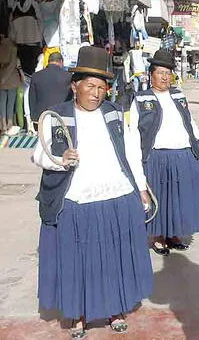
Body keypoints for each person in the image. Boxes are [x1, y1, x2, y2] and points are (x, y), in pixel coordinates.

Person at [34, 46, 153, 338]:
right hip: (76, 200)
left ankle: (116, 308)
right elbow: (39, 154)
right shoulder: (57, 117)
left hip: (116, 197)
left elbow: (131, 154)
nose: (96, 93)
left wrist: (141, 189)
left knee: (114, 258)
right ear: (75, 86)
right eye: (90, 86)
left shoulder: (114, 114)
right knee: (77, 261)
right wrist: (60, 161)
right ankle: (77, 314)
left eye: (102, 87)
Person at [129, 49, 199, 256]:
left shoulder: (178, 95)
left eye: (168, 73)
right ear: (151, 75)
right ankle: (158, 237)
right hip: (157, 158)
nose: (165, 77)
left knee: (179, 199)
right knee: (160, 199)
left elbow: (189, 122)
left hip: (183, 156)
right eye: (160, 72)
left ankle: (174, 234)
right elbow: (133, 134)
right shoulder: (140, 99)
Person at [28, 52, 72, 130]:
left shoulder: (36, 76)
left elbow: (32, 98)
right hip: (62, 117)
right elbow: (71, 98)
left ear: (48, 61)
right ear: (61, 62)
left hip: (41, 117)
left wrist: (34, 118)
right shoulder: (69, 76)